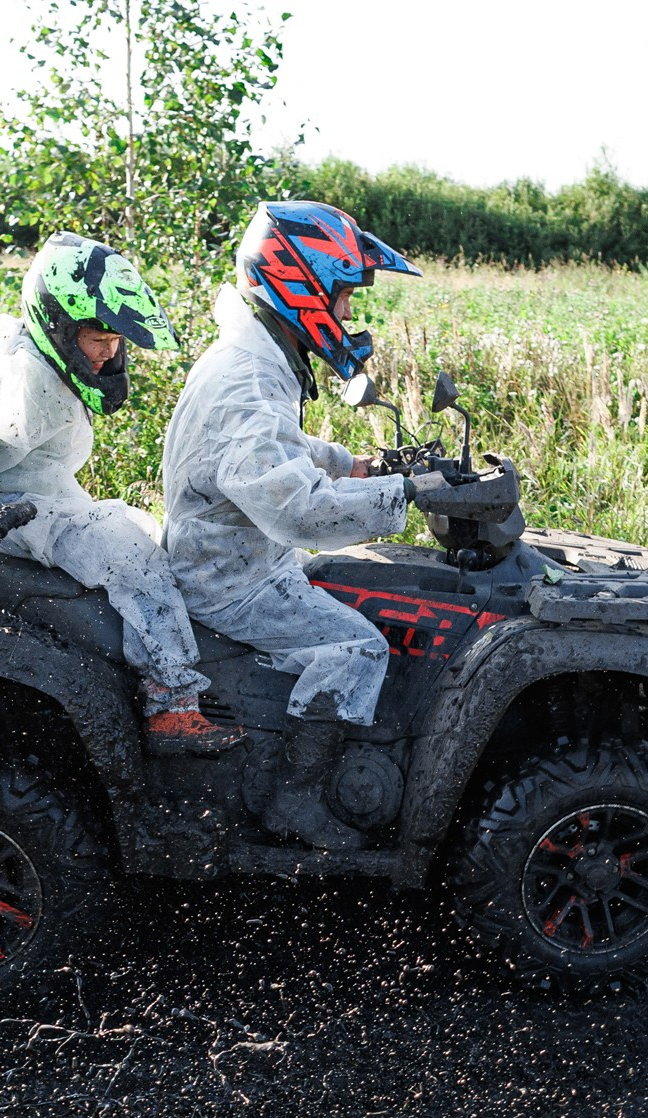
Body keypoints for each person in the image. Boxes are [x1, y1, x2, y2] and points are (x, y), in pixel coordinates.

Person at [0, 233, 242, 755]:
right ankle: (172, 704)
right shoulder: (29, 376)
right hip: (14, 513)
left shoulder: (46, 362)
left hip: (45, 500)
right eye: (96, 339)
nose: (108, 354)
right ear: (58, 326)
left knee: (146, 533)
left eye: (114, 342)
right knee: (140, 564)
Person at [160, 201, 425, 849]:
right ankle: (296, 798)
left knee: (345, 585)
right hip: (229, 579)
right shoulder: (247, 380)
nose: (346, 318)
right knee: (357, 647)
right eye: (341, 299)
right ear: (301, 286)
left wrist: (356, 466)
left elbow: (280, 451)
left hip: (236, 552)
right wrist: (406, 493)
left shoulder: (255, 356)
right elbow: (297, 509)